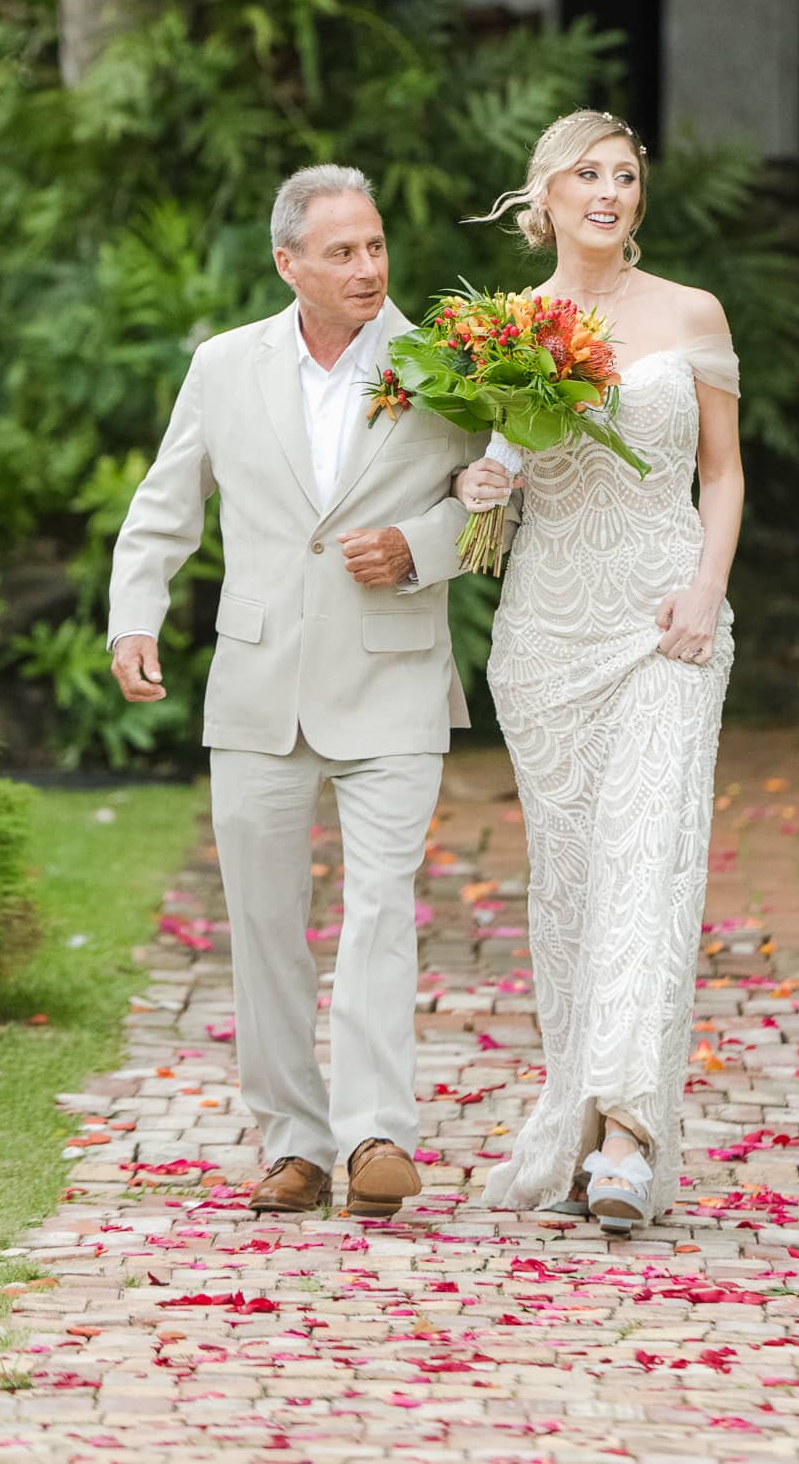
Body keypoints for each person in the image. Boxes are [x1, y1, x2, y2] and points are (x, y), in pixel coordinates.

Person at [107, 165, 498, 1221]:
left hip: (394, 677)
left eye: (376, 247)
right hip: (259, 682)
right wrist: (134, 617)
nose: (368, 267)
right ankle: (294, 1141)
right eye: (343, 252)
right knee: (265, 921)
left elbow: (499, 504)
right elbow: (162, 508)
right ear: (290, 264)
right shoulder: (223, 366)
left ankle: (377, 1135)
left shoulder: (451, 367)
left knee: (380, 910)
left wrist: (417, 548)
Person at [455, 110, 744, 1235]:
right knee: (573, 885)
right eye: (589, 175)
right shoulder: (505, 332)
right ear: (545, 199)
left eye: (626, 175)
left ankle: (629, 1138)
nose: (611, 191)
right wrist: (484, 487)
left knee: (648, 867)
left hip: (667, 616)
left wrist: (707, 588)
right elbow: (495, 480)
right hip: (546, 638)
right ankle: (576, 1124)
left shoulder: (691, 314)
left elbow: (721, 476)